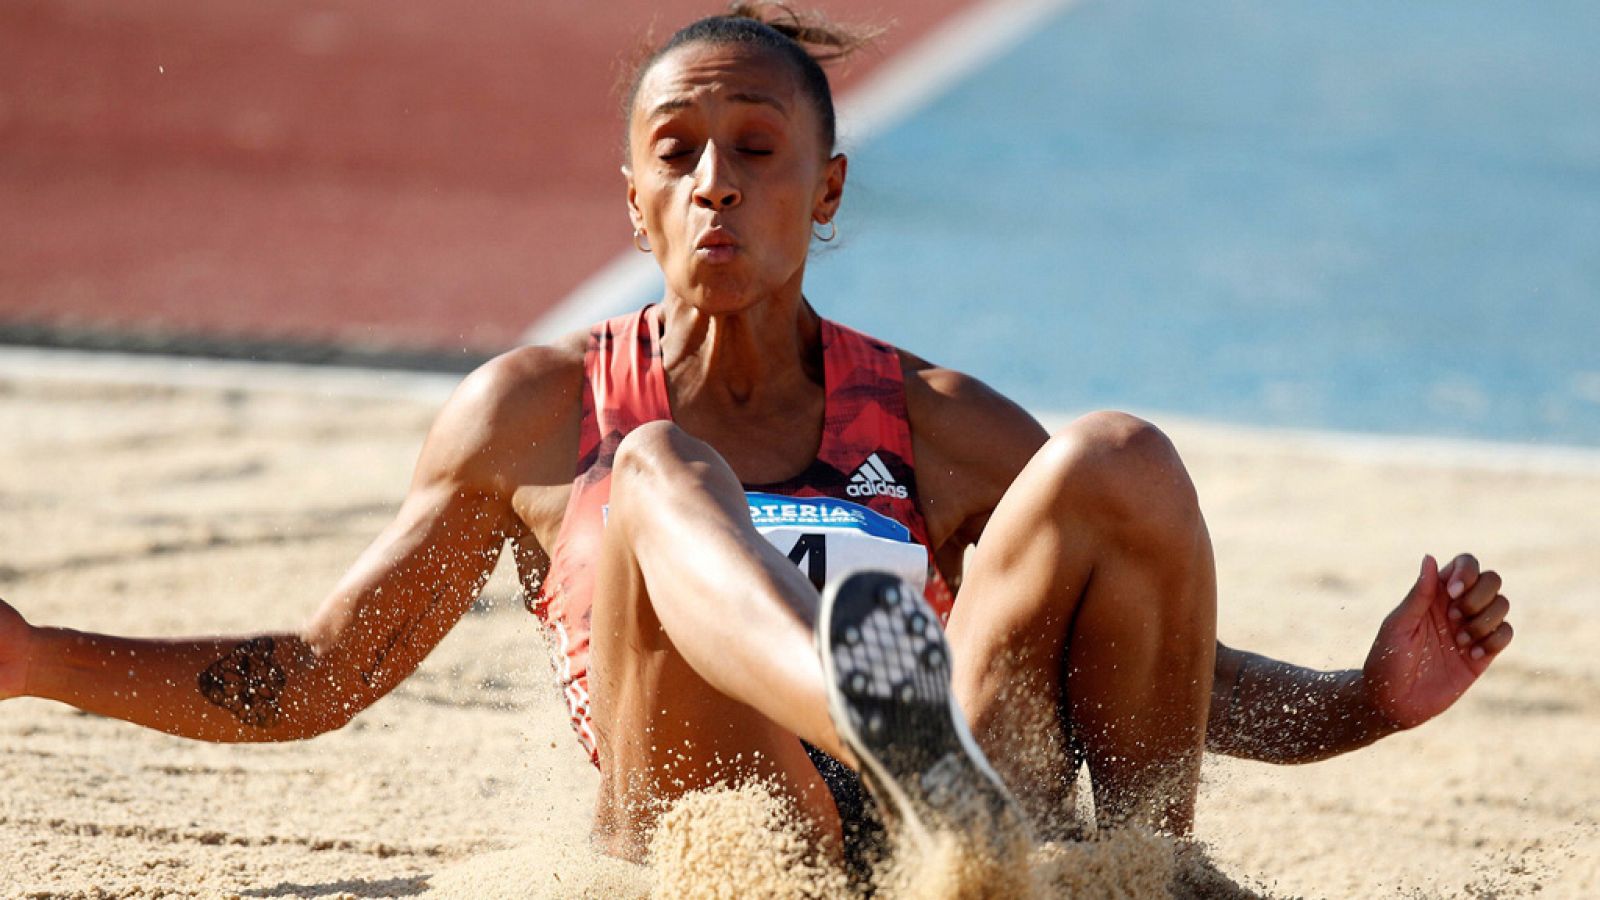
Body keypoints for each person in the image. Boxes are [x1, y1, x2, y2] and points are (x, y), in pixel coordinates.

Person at [0, 3, 1513, 875]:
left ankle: (1137, 883)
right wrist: (35, 658)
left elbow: (1150, 672)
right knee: (655, 476)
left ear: (828, 196)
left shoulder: (934, 423)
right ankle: (882, 722)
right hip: (723, 847)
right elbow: (321, 676)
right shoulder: (540, 413)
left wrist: (1367, 701)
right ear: (634, 203)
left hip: (950, 854)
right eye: (680, 156)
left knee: (1118, 454)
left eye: (758, 152)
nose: (718, 182)